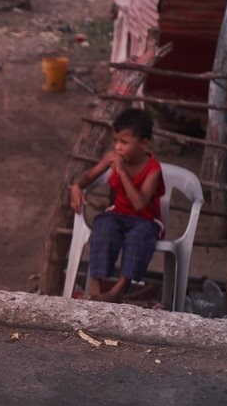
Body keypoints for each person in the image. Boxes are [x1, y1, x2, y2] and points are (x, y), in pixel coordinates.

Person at [69, 108, 165, 302]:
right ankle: (95, 287)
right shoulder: (112, 156)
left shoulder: (153, 169)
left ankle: (119, 290)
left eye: (124, 142)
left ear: (143, 143)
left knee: (139, 237)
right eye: (116, 141)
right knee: (103, 226)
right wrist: (77, 186)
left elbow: (139, 204)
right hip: (117, 214)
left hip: (145, 220)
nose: (118, 147)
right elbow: (89, 175)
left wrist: (121, 172)